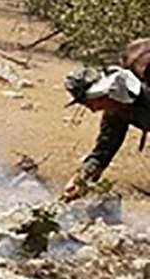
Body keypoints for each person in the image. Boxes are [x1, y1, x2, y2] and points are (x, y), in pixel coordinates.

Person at [62, 59, 150, 201]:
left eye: (89, 103)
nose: (92, 110)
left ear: (102, 95)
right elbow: (103, 152)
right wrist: (80, 179)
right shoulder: (115, 112)